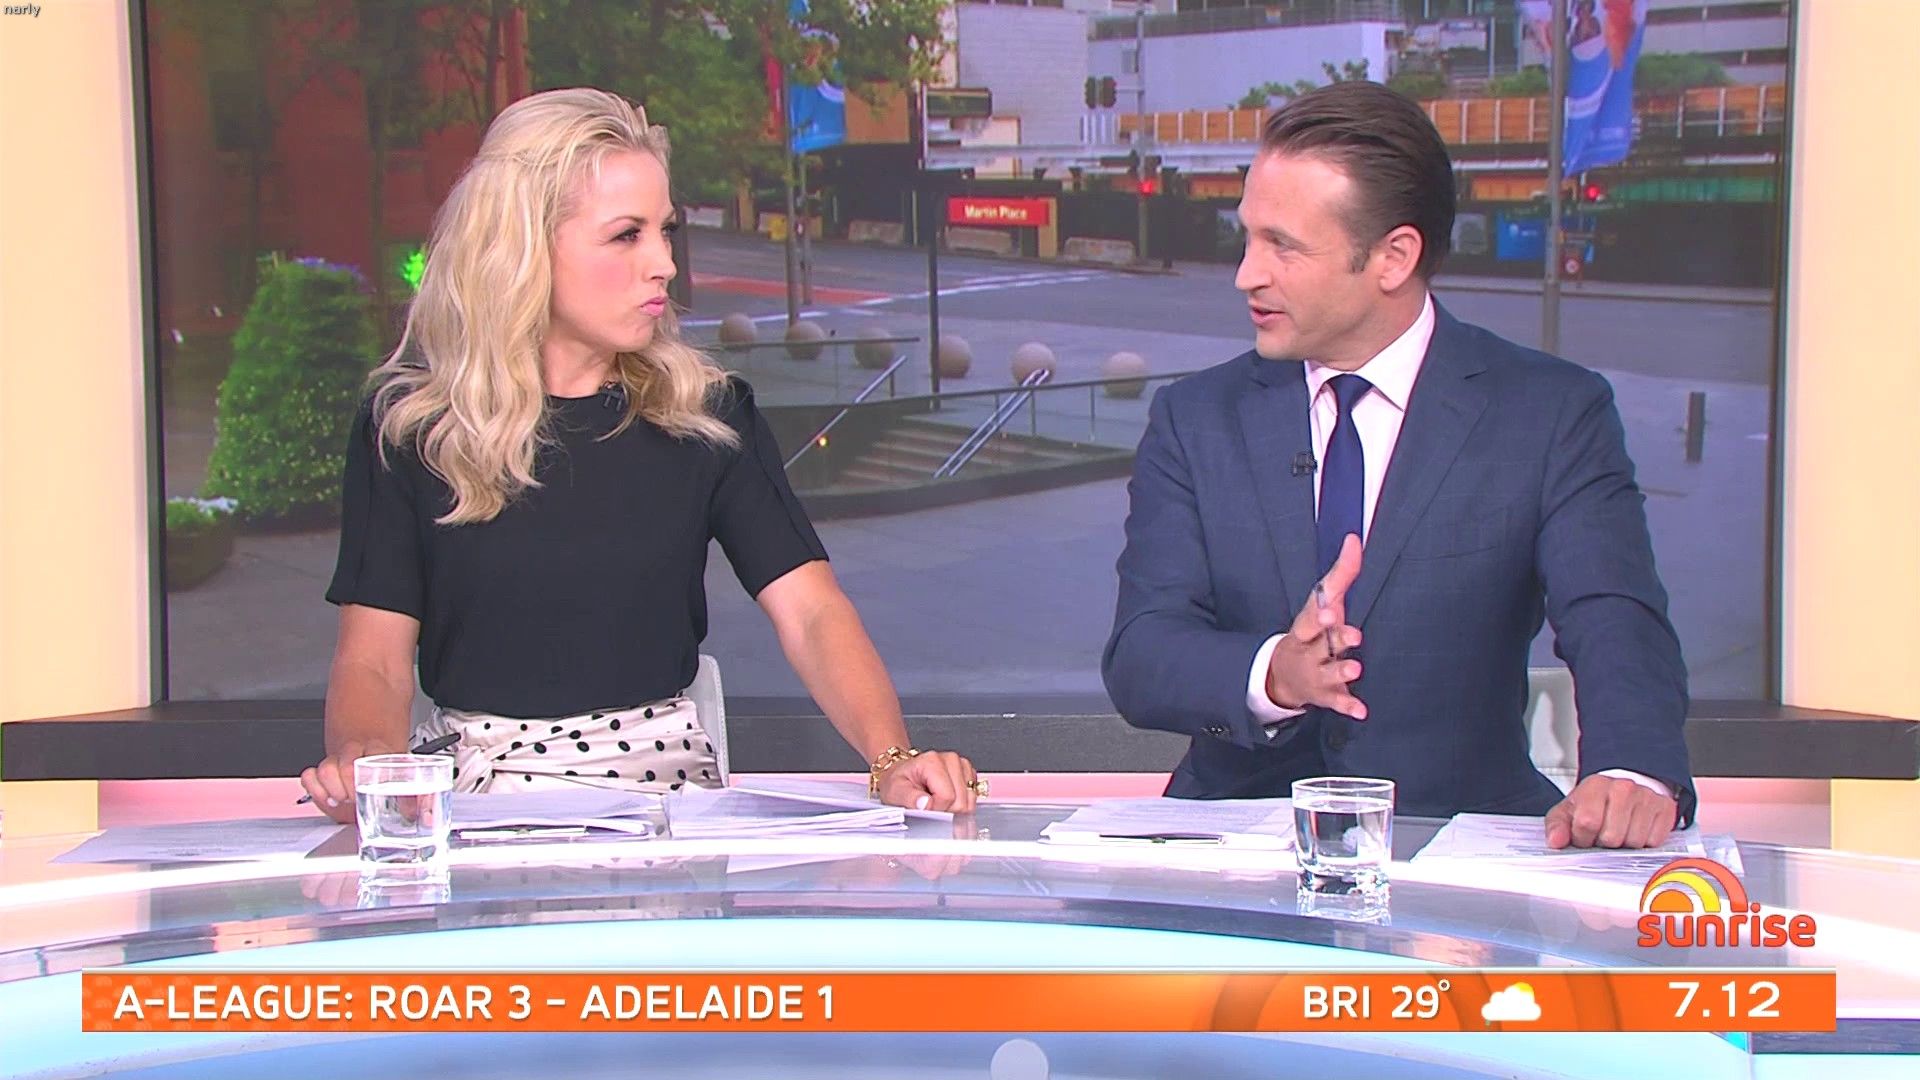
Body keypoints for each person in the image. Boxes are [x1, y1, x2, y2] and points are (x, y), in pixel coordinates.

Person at [298, 88, 982, 821]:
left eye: (665, 231)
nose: (664, 264)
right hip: (473, 806)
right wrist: (367, 767)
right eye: (627, 235)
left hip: (666, 808)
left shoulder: (708, 417)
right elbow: (373, 658)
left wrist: (891, 759)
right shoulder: (411, 428)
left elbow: (811, 612)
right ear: (523, 246)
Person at [1102, 81, 1692, 850]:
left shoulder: (1549, 414)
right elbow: (1142, 651)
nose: (1247, 274)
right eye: (1247, 238)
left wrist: (1630, 770)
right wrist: (1276, 673)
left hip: (1460, 844)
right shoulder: (1196, 418)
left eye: (1282, 245)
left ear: (1393, 256)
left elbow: (1614, 614)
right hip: (1237, 846)